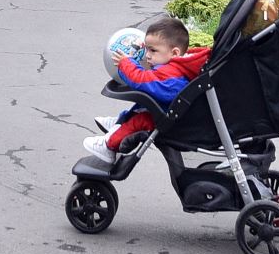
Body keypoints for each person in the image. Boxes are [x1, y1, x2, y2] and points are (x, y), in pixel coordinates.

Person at [80, 15, 208, 173]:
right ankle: (120, 123)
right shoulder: (176, 66)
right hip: (171, 111)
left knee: (141, 119)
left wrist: (125, 63)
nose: (147, 55)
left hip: (174, 122)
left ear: (174, 53)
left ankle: (108, 146)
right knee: (144, 104)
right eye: (147, 49)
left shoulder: (172, 75)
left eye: (153, 50)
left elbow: (142, 80)